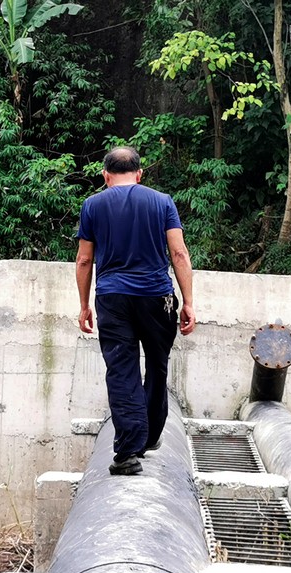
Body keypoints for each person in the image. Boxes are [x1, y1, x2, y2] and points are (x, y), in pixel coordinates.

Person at [75, 146, 195, 476]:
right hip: (157, 297)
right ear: (139, 174)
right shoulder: (162, 202)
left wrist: (84, 305)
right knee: (157, 365)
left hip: (112, 299)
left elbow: (84, 259)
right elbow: (179, 254)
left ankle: (128, 450)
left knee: (121, 369)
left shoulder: (92, 205)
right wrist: (188, 302)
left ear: (105, 176)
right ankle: (151, 436)